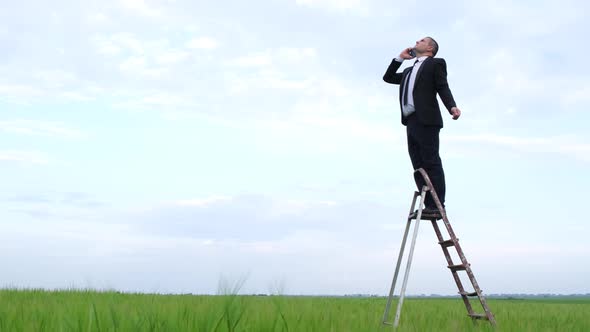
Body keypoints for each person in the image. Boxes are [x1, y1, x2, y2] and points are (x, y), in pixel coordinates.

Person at [382, 37, 461, 216]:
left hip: (427, 119)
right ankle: (429, 205)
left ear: (430, 48)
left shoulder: (435, 64)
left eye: (422, 40)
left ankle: (438, 205)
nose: (417, 41)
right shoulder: (409, 71)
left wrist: (452, 106)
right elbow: (388, 78)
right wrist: (400, 59)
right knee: (418, 165)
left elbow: (442, 86)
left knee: (431, 161)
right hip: (411, 121)